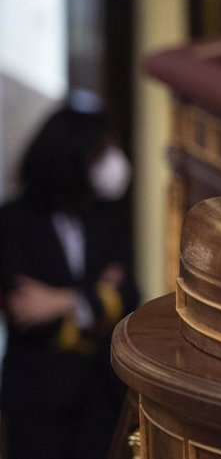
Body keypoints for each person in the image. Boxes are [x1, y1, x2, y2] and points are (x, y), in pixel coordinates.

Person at [0, 98, 140, 458]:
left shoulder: (110, 217)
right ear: (71, 158)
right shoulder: (12, 222)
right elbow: (28, 315)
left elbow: (128, 299)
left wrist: (63, 300)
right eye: (100, 153)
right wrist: (97, 296)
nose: (112, 163)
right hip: (39, 400)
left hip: (102, 396)